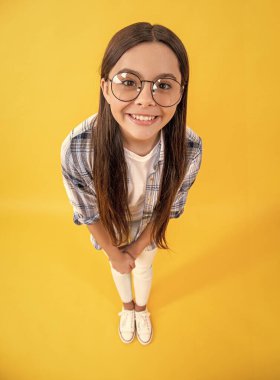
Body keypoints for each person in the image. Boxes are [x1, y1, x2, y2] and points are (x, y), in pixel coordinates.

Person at [60, 22, 203, 345]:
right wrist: (114, 251)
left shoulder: (190, 147)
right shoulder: (78, 147)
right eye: (129, 82)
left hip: (150, 225)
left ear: (181, 92)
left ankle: (141, 308)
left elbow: (170, 205)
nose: (145, 100)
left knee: (143, 268)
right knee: (121, 269)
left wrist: (139, 246)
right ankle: (127, 307)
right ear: (106, 87)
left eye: (164, 85)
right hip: (110, 225)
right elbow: (86, 211)